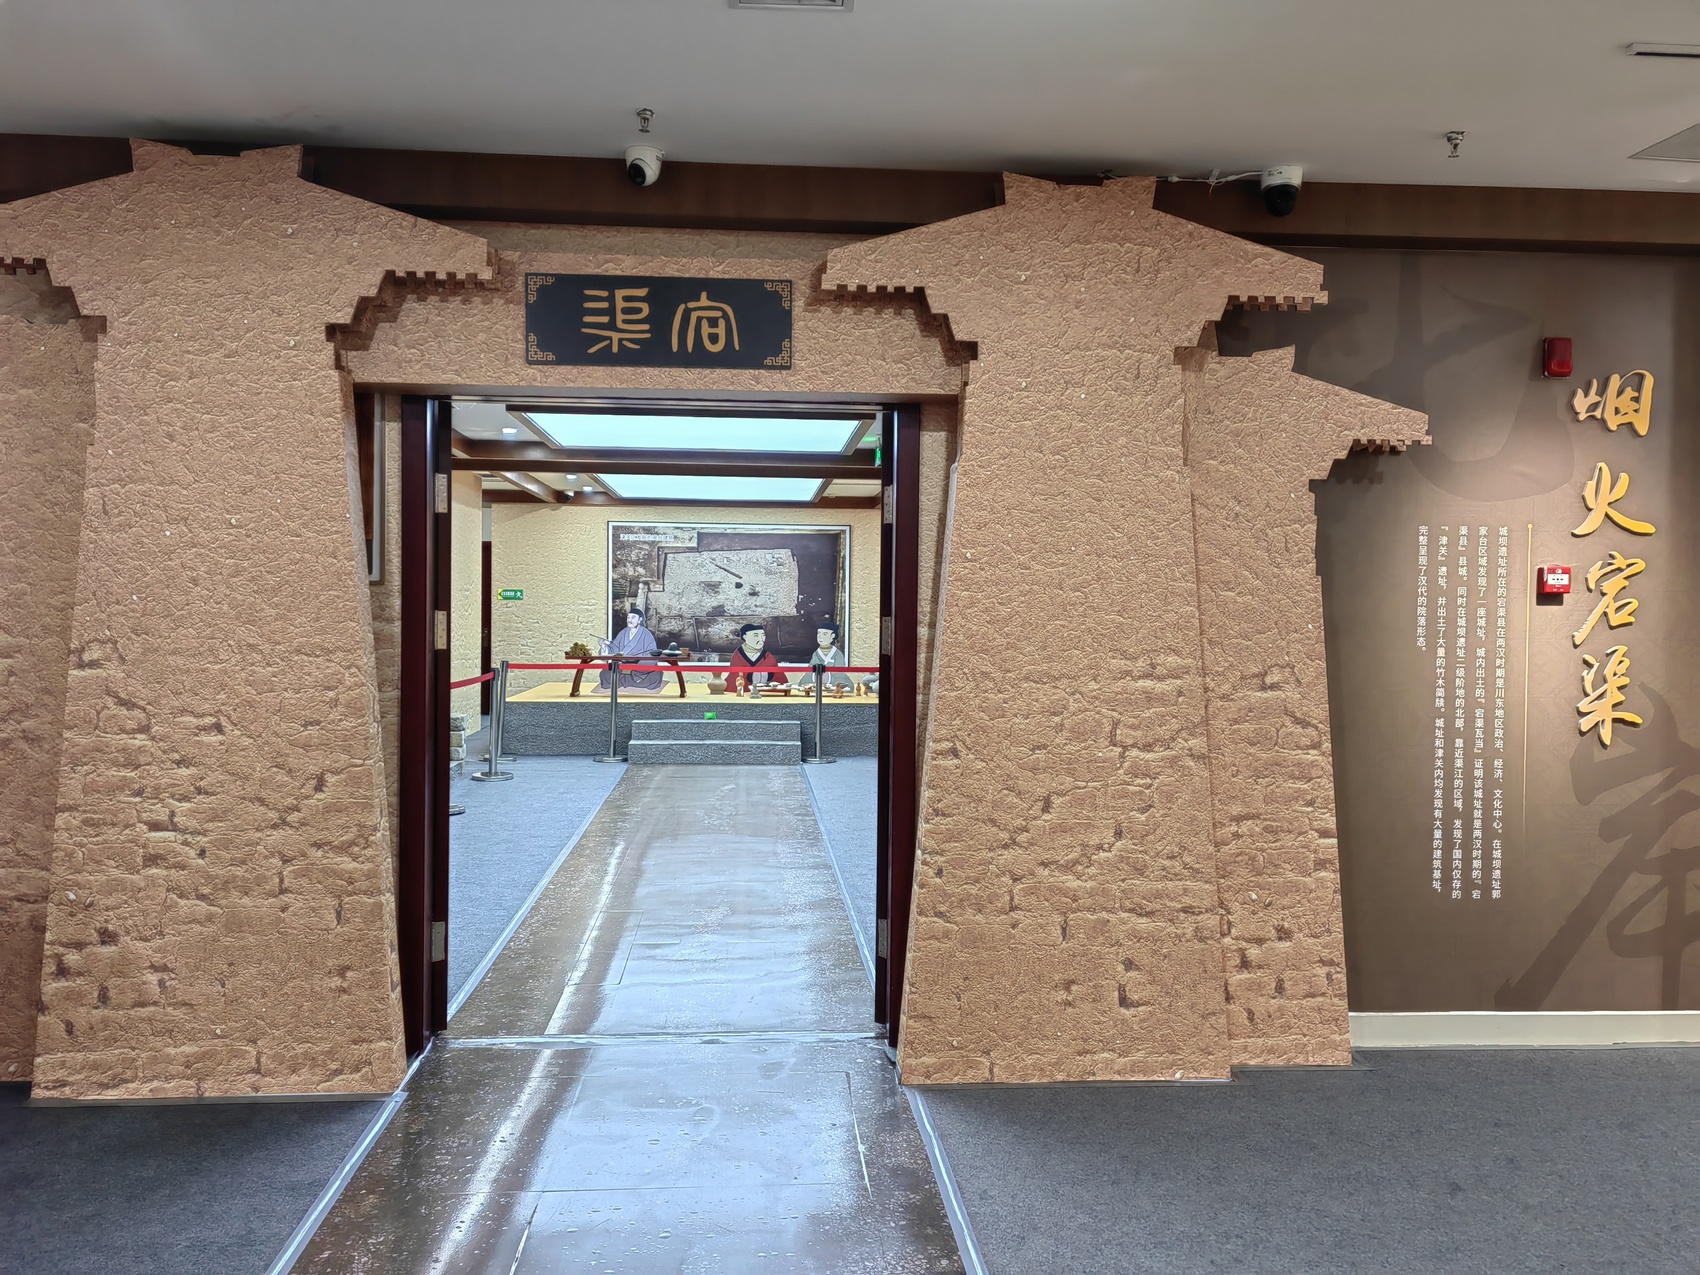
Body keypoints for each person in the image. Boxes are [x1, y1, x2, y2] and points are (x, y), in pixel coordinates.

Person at [593, 608, 665, 694]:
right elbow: (614, 647)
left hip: (639, 668)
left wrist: (638, 662)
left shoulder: (646, 634)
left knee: (654, 677)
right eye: (628, 617)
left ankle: (627, 680)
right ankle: (630, 681)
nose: (630, 620)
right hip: (622, 666)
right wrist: (604, 646)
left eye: (633, 617)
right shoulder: (623, 633)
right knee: (605, 674)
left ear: (640, 620)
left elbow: (652, 653)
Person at [726, 622, 787, 694]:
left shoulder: (768, 656)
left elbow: (779, 680)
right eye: (756, 635)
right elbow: (735, 680)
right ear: (745, 637)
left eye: (763, 635)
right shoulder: (738, 655)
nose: (761, 639)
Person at [795, 622, 852, 692]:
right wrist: (815, 676)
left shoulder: (837, 654)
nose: (820, 637)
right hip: (816, 680)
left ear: (833, 636)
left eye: (824, 634)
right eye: (819, 633)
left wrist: (828, 677)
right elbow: (810, 669)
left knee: (847, 685)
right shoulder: (816, 653)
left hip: (833, 681)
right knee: (803, 683)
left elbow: (840, 671)